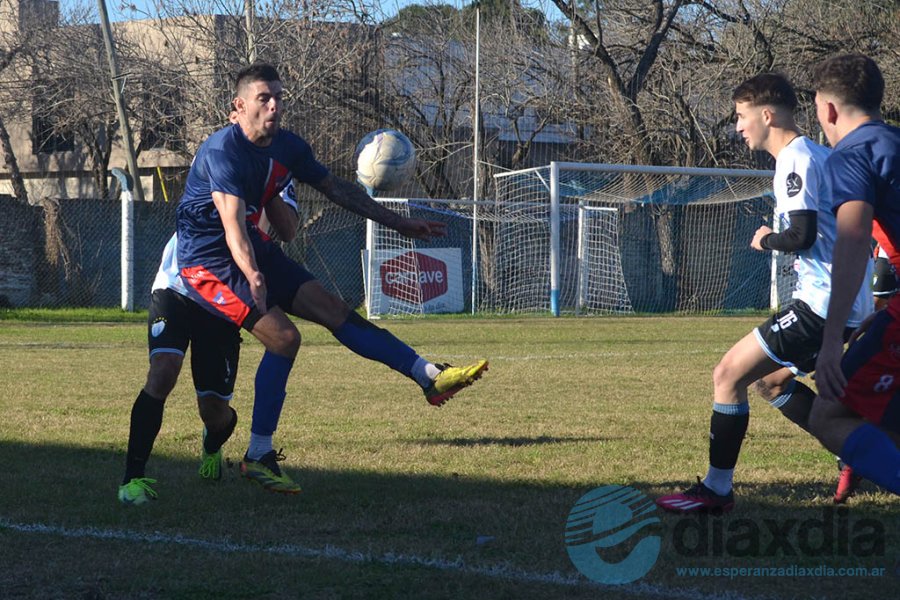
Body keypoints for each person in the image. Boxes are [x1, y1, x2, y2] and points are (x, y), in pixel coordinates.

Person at [176, 63, 488, 495]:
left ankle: (428, 376)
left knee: (333, 308)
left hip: (250, 246)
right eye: (264, 98)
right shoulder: (221, 152)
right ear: (239, 106)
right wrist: (252, 273)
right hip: (209, 262)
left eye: (279, 97)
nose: (274, 105)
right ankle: (258, 455)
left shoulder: (288, 147)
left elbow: (336, 189)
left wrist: (397, 222)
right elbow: (231, 226)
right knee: (285, 338)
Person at [656, 73, 873, 514]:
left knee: (727, 375)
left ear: (767, 115)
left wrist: (765, 239)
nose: (738, 126)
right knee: (772, 384)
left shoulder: (795, 159)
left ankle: (717, 490)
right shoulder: (815, 153)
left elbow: (801, 234)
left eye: (742, 115)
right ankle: (853, 449)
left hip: (822, 305)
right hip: (844, 302)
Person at [808, 53, 900, 497]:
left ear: (828, 109)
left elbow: (852, 238)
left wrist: (831, 339)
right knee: (889, 418)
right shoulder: (893, 142)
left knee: (829, 413)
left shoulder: (851, 152)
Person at [118, 234, 242, 505]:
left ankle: (212, 444)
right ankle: (132, 480)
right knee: (162, 371)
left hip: (223, 299)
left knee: (214, 413)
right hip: (175, 287)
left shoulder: (261, 209)